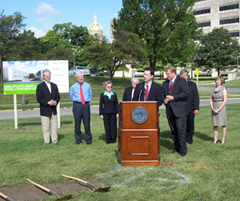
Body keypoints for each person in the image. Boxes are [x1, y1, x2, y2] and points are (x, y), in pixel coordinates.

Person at [162, 66, 189, 156]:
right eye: (166, 74)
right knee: (173, 131)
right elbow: (162, 95)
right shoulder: (165, 83)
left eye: (168, 74)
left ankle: (183, 150)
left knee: (180, 130)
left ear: (174, 73)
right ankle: (176, 148)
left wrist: (173, 98)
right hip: (170, 111)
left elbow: (186, 93)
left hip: (180, 111)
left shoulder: (181, 81)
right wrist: (164, 100)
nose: (167, 76)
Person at [36, 69, 60, 145]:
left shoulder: (54, 85)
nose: (49, 77)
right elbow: (39, 99)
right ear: (44, 77)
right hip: (45, 110)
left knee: (54, 126)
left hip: (53, 109)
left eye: (49, 76)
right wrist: (47, 102)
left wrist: (55, 102)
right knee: (46, 127)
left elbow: (58, 97)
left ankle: (54, 140)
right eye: (47, 76)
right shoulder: (40, 86)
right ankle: (46, 141)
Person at [70, 72, 92, 144]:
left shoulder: (88, 86)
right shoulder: (73, 87)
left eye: (82, 77)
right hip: (77, 105)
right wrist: (76, 104)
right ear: (76, 78)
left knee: (87, 123)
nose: (80, 78)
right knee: (77, 123)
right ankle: (78, 139)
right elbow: (71, 96)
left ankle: (89, 139)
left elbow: (90, 95)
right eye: (79, 77)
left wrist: (87, 104)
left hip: (85, 105)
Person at [180, 69, 199, 144]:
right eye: (182, 74)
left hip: (190, 108)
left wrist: (196, 108)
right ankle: (183, 138)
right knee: (182, 125)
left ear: (187, 76)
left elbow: (196, 97)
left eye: (185, 74)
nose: (183, 76)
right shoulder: (178, 84)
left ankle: (189, 138)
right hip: (181, 108)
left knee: (190, 124)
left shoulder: (192, 85)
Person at [210, 76, 227, 144]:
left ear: (221, 81)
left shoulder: (223, 89)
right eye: (216, 80)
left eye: (219, 80)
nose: (217, 82)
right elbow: (211, 99)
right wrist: (213, 108)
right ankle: (215, 139)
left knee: (223, 124)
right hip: (214, 106)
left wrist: (219, 109)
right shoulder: (213, 89)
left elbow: (225, 100)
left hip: (221, 107)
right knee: (215, 124)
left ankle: (223, 139)